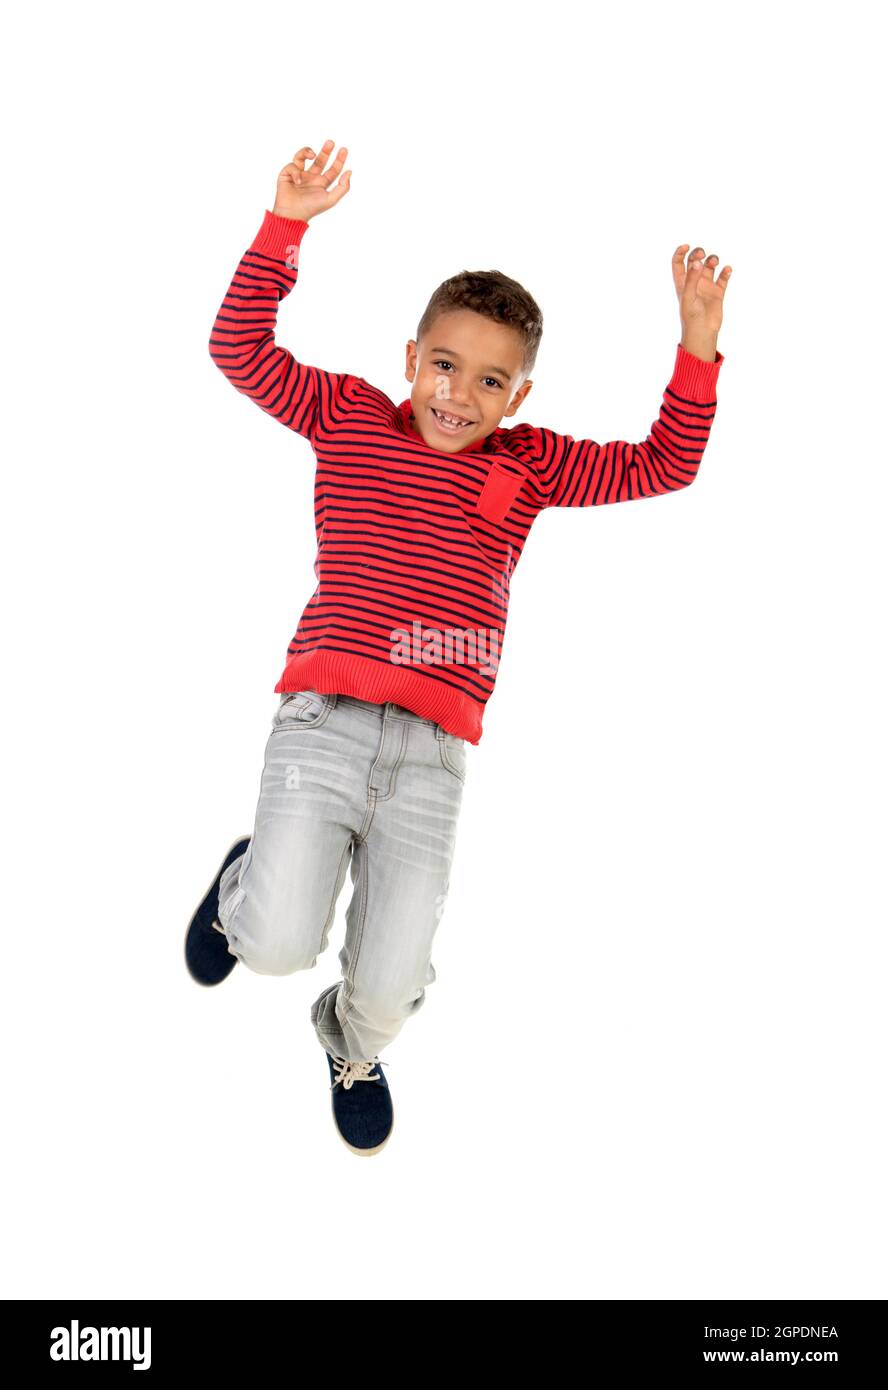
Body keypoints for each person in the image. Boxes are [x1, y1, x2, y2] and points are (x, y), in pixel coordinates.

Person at [186, 138, 731, 1157]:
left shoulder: (529, 465)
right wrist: (284, 226)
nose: (458, 394)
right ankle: (243, 891)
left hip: (432, 759)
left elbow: (667, 463)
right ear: (410, 360)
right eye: (444, 366)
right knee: (274, 945)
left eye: (489, 380)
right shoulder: (348, 414)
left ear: (518, 395)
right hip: (324, 726)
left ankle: (351, 1045)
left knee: (389, 987)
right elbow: (240, 350)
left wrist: (695, 345)